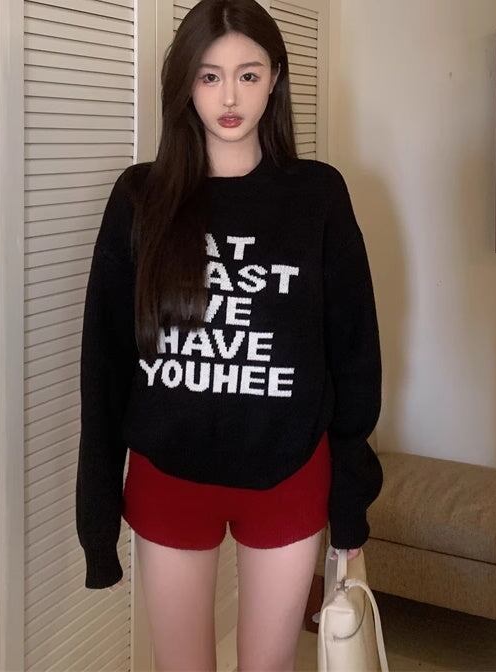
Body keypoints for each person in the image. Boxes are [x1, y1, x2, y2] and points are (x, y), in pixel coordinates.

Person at [75, 0, 383, 669]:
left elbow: (354, 352)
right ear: (185, 84)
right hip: (169, 475)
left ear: (275, 79)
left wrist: (350, 502)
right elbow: (104, 364)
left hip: (287, 473)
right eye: (209, 76)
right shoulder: (139, 197)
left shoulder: (318, 196)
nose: (230, 96)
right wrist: (96, 514)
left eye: (248, 74)